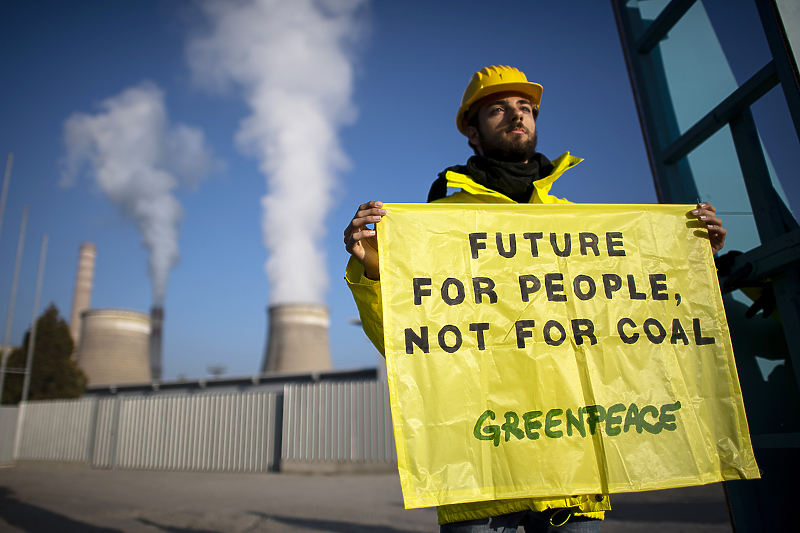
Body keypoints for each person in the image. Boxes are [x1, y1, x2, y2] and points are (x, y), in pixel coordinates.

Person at [343, 65, 726, 532]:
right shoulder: (436, 223)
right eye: (497, 108)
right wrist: (373, 270)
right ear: (472, 131)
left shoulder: (578, 227)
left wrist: (688, 256)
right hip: (483, 465)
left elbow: (626, 325)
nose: (516, 116)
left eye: (525, 108)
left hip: (572, 463)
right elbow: (406, 343)